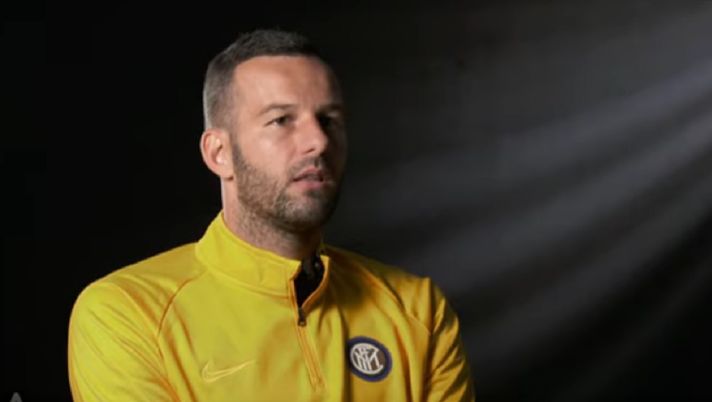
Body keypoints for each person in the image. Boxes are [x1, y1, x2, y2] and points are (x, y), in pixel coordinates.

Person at [67, 29, 475, 402]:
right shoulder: (126, 313)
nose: (318, 141)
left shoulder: (417, 309)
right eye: (281, 120)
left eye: (329, 120)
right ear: (219, 153)